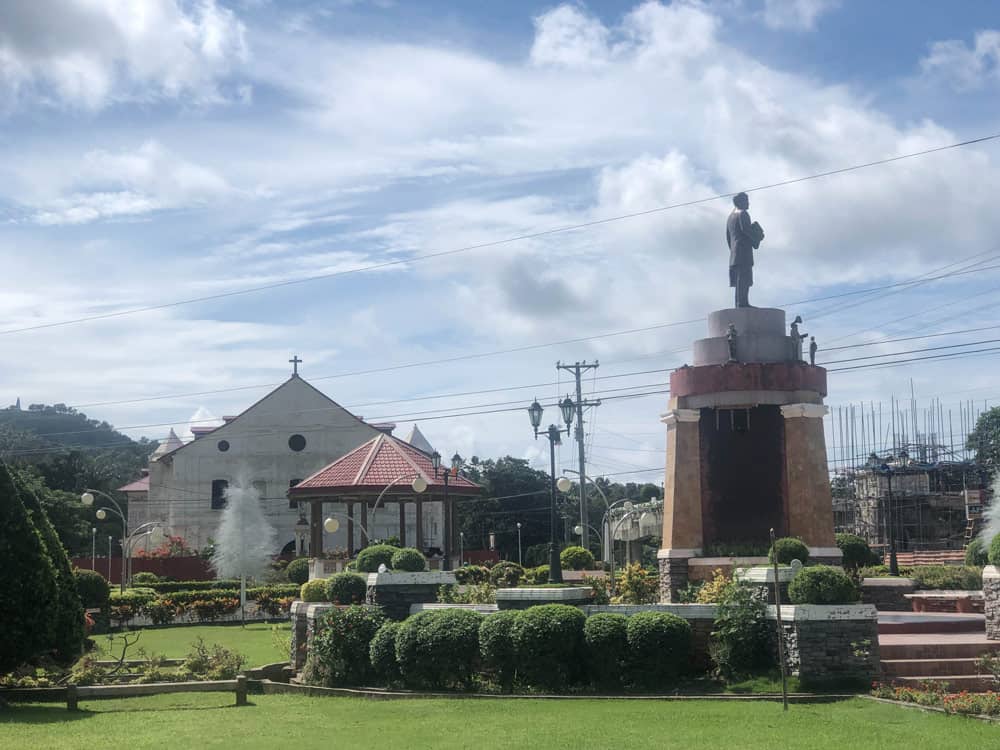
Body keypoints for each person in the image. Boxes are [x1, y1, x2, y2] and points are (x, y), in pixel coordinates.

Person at [726, 192, 764, 308]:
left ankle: (740, 303)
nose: (748, 203)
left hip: (735, 252)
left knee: (740, 280)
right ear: (740, 202)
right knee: (744, 279)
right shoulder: (743, 214)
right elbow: (746, 230)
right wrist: (758, 237)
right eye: (746, 201)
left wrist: (733, 250)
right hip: (743, 251)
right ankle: (743, 303)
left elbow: (728, 237)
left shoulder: (730, 217)